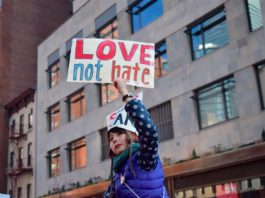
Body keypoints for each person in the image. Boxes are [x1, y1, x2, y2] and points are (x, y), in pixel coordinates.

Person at [103, 79, 169, 198]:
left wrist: (124, 93)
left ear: (133, 135)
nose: (114, 140)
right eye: (111, 138)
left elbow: (149, 131)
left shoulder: (144, 158)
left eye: (119, 134)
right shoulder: (117, 175)